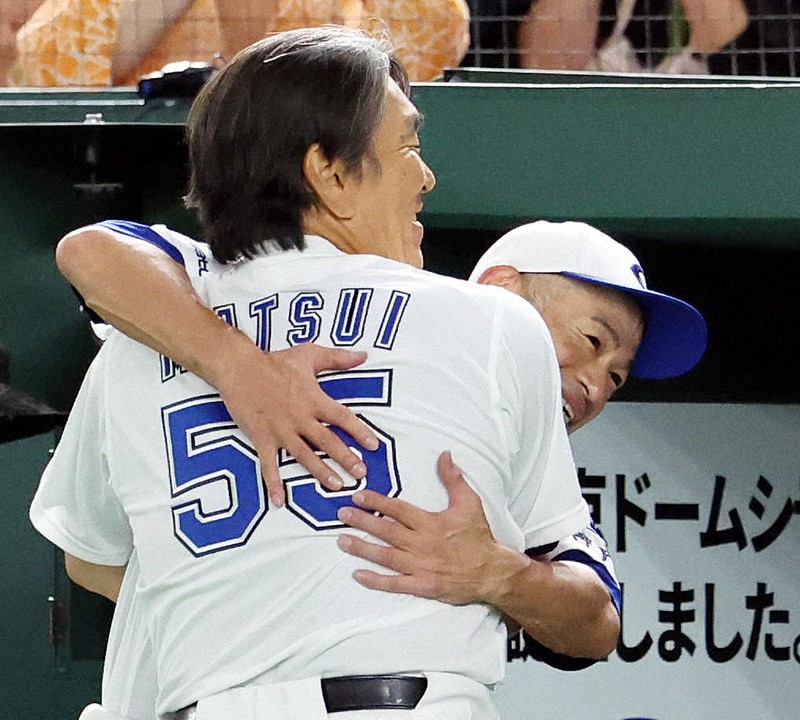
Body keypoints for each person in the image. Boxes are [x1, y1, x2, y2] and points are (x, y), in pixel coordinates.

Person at [32, 27, 706, 720]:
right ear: (329, 171)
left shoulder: (146, 333)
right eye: (409, 144)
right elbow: (94, 250)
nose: (426, 174)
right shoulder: (488, 322)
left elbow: (90, 557)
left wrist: (235, 592)